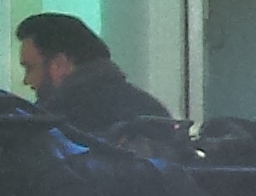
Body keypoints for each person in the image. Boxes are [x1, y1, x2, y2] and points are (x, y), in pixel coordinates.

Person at [13, 13, 171, 134]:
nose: (26, 81)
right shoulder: (150, 108)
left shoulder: (57, 122)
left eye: (30, 68)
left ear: (60, 65)